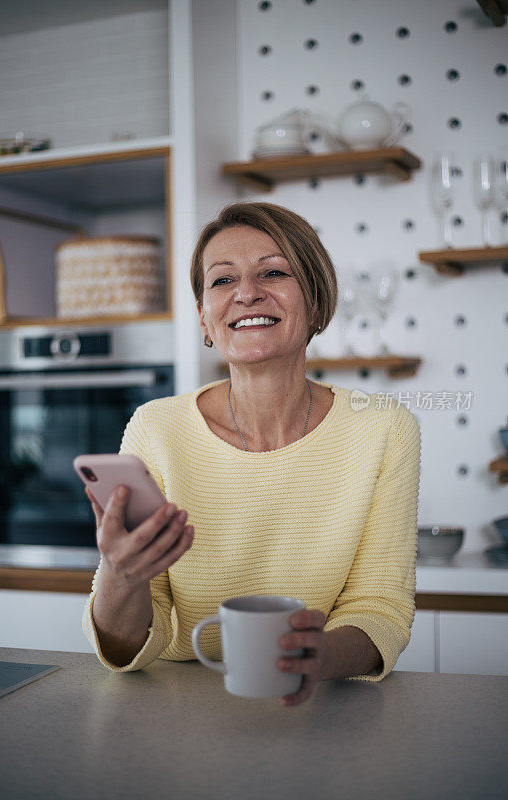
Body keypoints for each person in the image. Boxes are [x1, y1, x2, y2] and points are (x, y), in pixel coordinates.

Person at [82, 201, 421, 707]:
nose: (246, 293)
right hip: (174, 707)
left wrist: (315, 659)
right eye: (221, 281)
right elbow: (125, 646)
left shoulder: (384, 427)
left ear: (318, 304)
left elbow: (380, 606)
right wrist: (120, 575)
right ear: (204, 318)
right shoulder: (157, 427)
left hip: (318, 702)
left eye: (274, 272)